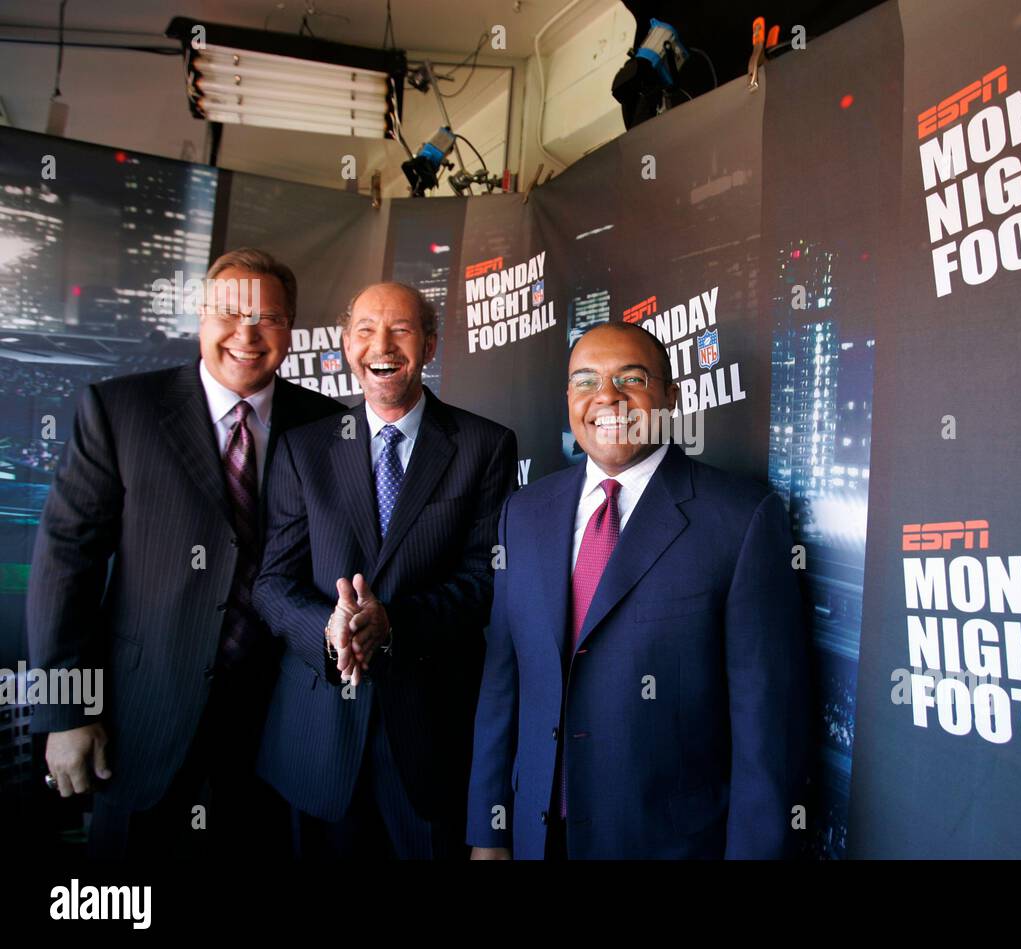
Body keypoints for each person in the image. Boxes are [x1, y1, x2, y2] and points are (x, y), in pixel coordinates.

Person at [27, 248, 341, 857]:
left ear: (290, 329)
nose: (247, 334)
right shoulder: (120, 411)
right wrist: (64, 712)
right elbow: (67, 563)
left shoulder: (330, 427)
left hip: (277, 732)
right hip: (140, 721)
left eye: (268, 318)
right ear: (200, 316)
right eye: (229, 313)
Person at [467, 321, 808, 859]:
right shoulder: (523, 512)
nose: (607, 397)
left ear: (670, 395)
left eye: (631, 377)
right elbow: (503, 682)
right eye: (585, 381)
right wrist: (489, 833)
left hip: (666, 843)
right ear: (568, 399)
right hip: (538, 837)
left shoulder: (741, 518)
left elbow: (764, 722)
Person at [253, 282, 517, 859]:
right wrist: (328, 629)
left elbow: (488, 578)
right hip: (317, 742)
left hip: (431, 742)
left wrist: (392, 622)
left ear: (430, 345)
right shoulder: (303, 449)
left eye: (400, 329)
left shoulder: (485, 446)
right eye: (367, 329)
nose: (383, 343)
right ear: (348, 346)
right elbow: (272, 582)